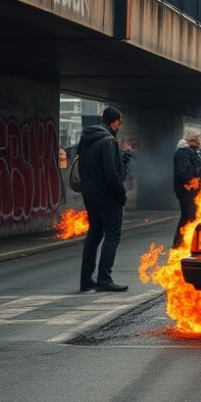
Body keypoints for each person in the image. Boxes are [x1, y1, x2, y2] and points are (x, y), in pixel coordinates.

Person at [77, 106, 129, 292]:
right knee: (112, 236)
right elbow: (111, 171)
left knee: (94, 235)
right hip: (108, 197)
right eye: (119, 122)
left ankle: (85, 280)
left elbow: (80, 165)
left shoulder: (86, 140)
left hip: (90, 195)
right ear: (114, 122)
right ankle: (104, 279)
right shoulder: (108, 141)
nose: (120, 126)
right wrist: (121, 194)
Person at [173, 131, 201, 248]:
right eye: (197, 139)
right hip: (186, 190)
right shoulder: (182, 152)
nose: (199, 142)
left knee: (191, 215)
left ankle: (185, 242)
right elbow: (183, 172)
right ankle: (179, 244)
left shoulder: (192, 151)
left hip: (192, 189)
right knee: (188, 216)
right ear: (191, 140)